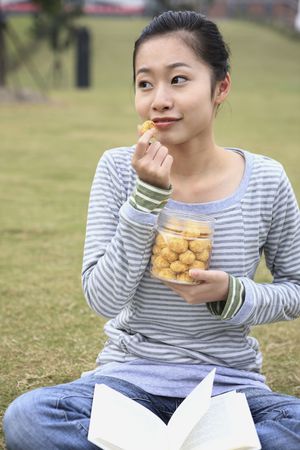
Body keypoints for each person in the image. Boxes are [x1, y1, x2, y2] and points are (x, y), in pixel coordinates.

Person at [3, 10, 300, 450]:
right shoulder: (117, 170)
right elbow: (103, 298)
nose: (158, 99)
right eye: (145, 83)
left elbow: (295, 288)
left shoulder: (266, 180)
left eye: (178, 79)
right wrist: (146, 198)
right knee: (29, 418)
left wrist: (233, 295)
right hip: (126, 380)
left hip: (229, 386)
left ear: (221, 86)